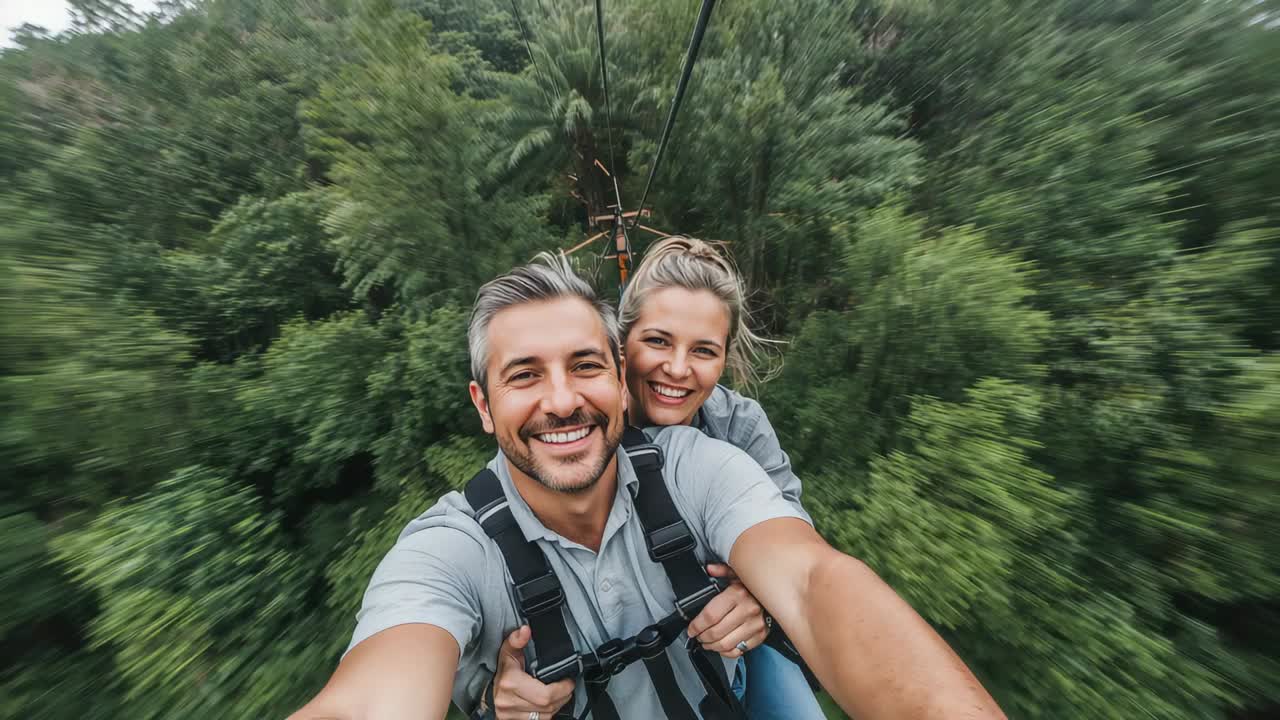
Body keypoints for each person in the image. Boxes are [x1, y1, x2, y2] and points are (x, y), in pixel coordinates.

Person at [287, 252, 1007, 720]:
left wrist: (761, 590)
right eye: (526, 375)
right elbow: (378, 688)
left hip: (722, 661)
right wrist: (481, 692)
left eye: (704, 352)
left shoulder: (716, 446)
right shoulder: (455, 549)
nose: (563, 399)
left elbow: (813, 575)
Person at [488, 236, 823, 720]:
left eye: (704, 350)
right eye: (658, 341)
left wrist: (763, 599)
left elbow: (794, 531)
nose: (678, 369)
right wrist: (496, 681)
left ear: (725, 359)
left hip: (729, 638)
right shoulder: (574, 437)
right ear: (620, 348)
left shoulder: (737, 426)